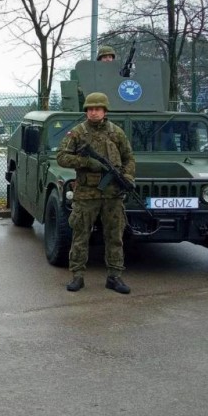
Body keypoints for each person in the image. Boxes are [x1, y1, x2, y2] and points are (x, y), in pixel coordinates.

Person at [55, 92, 136, 294]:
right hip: (86, 195)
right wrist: (87, 162)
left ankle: (114, 277)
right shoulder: (77, 133)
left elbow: (129, 158)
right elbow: (62, 157)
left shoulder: (116, 133)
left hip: (113, 195)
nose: (93, 112)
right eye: (90, 109)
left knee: (115, 236)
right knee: (80, 235)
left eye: (97, 109)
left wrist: (127, 177)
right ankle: (77, 276)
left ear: (105, 111)